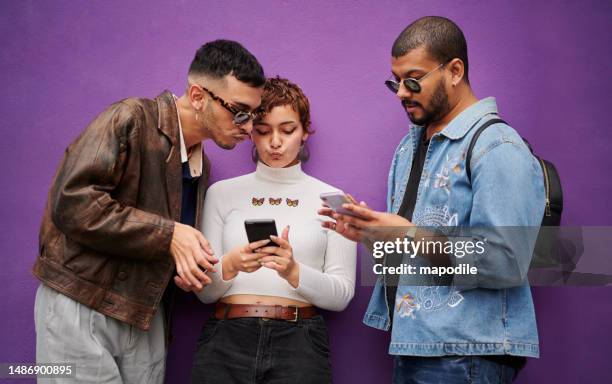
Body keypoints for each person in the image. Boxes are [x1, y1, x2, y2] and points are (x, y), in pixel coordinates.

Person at [320, 16, 545, 383]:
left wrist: (407, 234)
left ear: (454, 70)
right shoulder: (408, 149)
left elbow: (506, 262)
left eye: (413, 79)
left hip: (467, 353)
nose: (401, 93)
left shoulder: (498, 146)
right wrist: (372, 233)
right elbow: (420, 250)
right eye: (396, 82)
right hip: (415, 344)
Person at [32, 40, 265, 383]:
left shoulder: (202, 166)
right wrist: (170, 234)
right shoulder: (131, 118)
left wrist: (188, 270)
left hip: (145, 316)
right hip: (83, 302)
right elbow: (72, 203)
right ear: (199, 96)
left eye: (253, 114)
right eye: (240, 111)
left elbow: (156, 245)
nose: (248, 127)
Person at [175, 77, 356, 383]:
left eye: (287, 130)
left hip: (300, 344)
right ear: (250, 134)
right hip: (225, 338)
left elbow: (342, 295)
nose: (275, 142)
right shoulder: (221, 193)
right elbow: (204, 294)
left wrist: (293, 271)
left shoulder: (333, 200)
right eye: (263, 131)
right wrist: (231, 265)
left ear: (304, 132)